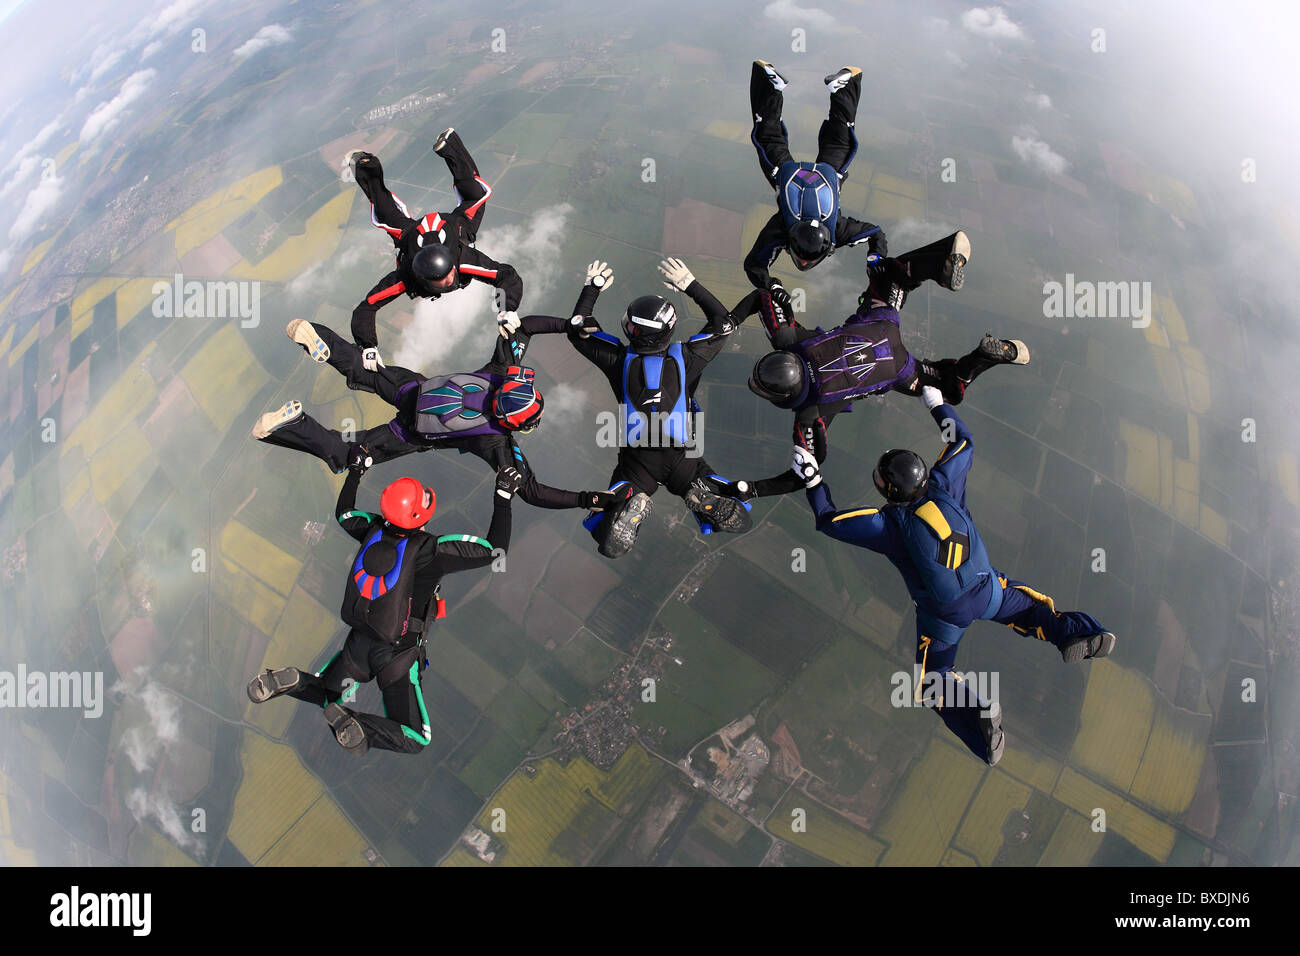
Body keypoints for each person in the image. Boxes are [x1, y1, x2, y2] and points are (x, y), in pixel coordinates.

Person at [792, 385, 1117, 765]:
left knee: (934, 682)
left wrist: (812, 480)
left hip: (945, 614)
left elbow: (830, 521)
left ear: (890, 491)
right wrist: (936, 402)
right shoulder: (945, 482)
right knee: (1036, 613)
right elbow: (965, 440)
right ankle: (1079, 633)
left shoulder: (891, 524)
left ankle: (981, 724)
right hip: (988, 588)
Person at [717, 231, 1028, 500]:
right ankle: (942, 262)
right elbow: (761, 296)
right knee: (889, 277)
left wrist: (752, 490)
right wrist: (731, 321)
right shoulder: (790, 342)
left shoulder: (811, 413)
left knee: (945, 388)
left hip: (896, 369)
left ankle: (986, 357)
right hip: (879, 326)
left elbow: (804, 475)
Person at [246, 460, 522, 755]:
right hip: (397, 653)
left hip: (360, 643)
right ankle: (362, 728)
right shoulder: (431, 550)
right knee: (417, 738)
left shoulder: (371, 528)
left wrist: (355, 471)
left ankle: (292, 681)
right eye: (424, 499)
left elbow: (344, 514)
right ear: (417, 513)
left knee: (328, 694)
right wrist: (503, 497)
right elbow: (495, 550)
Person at [249, 309, 615, 513]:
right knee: (350, 455)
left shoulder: (500, 372)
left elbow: (528, 328)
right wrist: (588, 500)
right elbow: (533, 492)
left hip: (413, 387)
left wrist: (569, 325)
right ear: (516, 426)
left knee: (362, 368)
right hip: (407, 434)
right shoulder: (496, 444)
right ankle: (294, 423)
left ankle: (318, 335)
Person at [563, 257, 754, 557]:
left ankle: (629, 499)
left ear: (629, 330)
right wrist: (689, 284)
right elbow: (723, 323)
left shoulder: (618, 360)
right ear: (669, 330)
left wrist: (593, 287)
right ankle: (701, 495)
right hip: (683, 454)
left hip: (639, 459)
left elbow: (576, 329)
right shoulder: (687, 358)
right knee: (739, 513)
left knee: (608, 538)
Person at [347, 128, 522, 369]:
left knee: (475, 195)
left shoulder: (461, 259)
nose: (451, 276)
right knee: (388, 212)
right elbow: (367, 307)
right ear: (422, 278)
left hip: (448, 229)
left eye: (449, 272)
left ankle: (446, 145)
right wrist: (367, 345)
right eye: (445, 278)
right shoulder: (407, 275)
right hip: (415, 235)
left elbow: (506, 275)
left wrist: (507, 310)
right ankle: (368, 165)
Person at [744, 59, 887, 301]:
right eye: (804, 259)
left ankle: (846, 85)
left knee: (840, 136)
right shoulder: (784, 229)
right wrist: (876, 259)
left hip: (825, 172)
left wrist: (876, 259)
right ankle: (769, 82)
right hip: (788, 171)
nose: (802, 262)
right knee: (767, 134)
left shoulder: (830, 231)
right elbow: (754, 265)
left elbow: (876, 233)